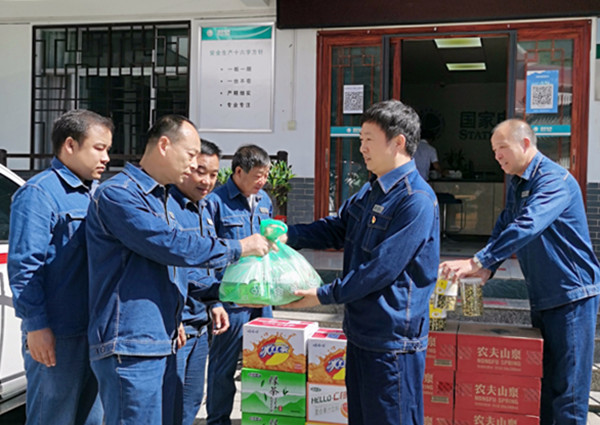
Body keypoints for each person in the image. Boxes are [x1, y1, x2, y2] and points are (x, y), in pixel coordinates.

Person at [86, 115, 272, 425]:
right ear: (164, 145)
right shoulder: (119, 194)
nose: (194, 164)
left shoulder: (161, 198)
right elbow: (172, 246)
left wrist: (229, 294)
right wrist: (239, 247)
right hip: (130, 341)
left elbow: (178, 271)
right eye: (190, 155)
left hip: (160, 336)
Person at [282, 100, 440, 425]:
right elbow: (336, 228)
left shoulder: (416, 200)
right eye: (361, 139)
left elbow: (381, 269)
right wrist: (288, 235)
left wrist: (323, 295)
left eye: (369, 139)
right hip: (361, 332)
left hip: (392, 341)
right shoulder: (371, 191)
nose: (362, 147)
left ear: (398, 142)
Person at [440, 118, 600, 424]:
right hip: (544, 295)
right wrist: (488, 268)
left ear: (525, 144)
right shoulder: (518, 183)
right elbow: (506, 224)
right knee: (546, 384)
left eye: (502, 147)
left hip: (572, 296)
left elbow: (528, 225)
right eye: (493, 150)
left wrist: (478, 261)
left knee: (568, 393)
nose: (497, 155)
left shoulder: (553, 180)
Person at [8, 109, 113, 425]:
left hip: (92, 331)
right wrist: (37, 327)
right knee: (52, 418)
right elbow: (26, 267)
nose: (106, 158)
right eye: (99, 148)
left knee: (91, 419)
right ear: (70, 145)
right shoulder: (39, 194)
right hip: (57, 333)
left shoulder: (96, 194)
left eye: (108, 149)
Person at [205, 144, 273, 425]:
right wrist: (214, 300)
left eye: (266, 175)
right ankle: (218, 420)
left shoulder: (265, 200)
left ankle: (261, 417)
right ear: (238, 172)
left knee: (265, 361)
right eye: (257, 175)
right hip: (231, 301)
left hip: (262, 298)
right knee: (223, 366)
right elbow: (207, 254)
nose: (263, 181)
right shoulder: (215, 202)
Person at [171, 140, 229, 425]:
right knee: (169, 402)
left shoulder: (205, 207)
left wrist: (215, 302)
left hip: (201, 322)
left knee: (192, 400)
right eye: (200, 172)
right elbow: (175, 267)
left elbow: (207, 261)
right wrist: (173, 316)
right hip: (177, 325)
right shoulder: (166, 208)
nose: (207, 181)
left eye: (214, 174)